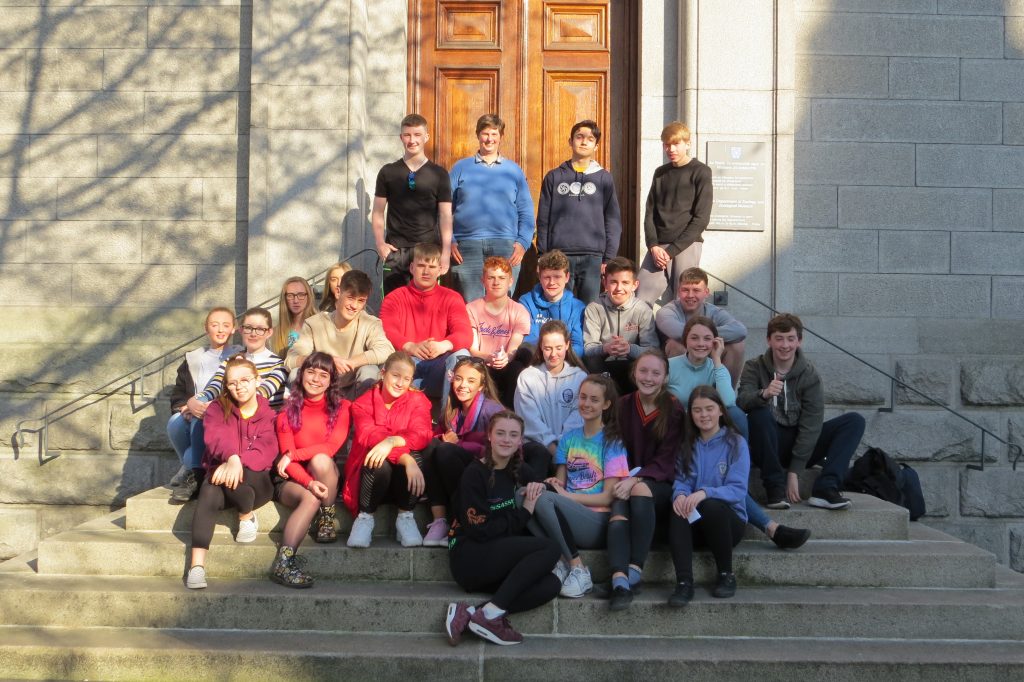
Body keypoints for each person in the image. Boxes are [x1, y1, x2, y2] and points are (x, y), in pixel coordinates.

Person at [668, 316, 810, 550]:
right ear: (686, 340)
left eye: (707, 339)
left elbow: (727, 400)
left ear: (715, 342)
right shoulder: (672, 366)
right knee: (724, 483)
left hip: (706, 437)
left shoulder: (715, 367)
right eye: (694, 338)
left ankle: (737, 458)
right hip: (679, 436)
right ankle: (771, 528)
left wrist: (716, 359)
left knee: (733, 413)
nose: (701, 343)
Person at [444, 411, 561, 647]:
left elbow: (549, 495)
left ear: (520, 441)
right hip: (470, 556)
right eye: (500, 433)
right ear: (489, 436)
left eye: (513, 435)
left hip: (497, 557)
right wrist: (524, 512)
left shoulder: (520, 470)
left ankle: (473, 614)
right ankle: (489, 617)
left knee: (551, 584)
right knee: (550, 548)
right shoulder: (474, 474)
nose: (506, 440)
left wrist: (548, 485)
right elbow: (480, 531)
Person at [737, 313, 866, 511]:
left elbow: (811, 424)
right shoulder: (754, 367)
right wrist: (763, 394)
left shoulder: (809, 374)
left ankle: (826, 488)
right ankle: (774, 487)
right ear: (769, 340)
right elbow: (742, 401)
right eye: (779, 339)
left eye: (790, 339)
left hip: (800, 444)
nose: (785, 345)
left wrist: (795, 471)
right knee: (758, 414)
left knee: (854, 421)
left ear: (799, 341)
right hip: (766, 444)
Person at [526, 374, 629, 598]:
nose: (587, 404)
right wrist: (553, 484)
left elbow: (607, 498)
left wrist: (565, 497)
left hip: (596, 521)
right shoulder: (568, 438)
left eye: (594, 399)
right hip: (568, 512)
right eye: (583, 397)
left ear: (606, 404)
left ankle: (579, 569)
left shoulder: (614, 442)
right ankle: (562, 561)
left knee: (543, 500)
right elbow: (562, 481)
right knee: (524, 495)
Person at [185, 355, 278, 590]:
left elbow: (265, 452)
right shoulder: (218, 408)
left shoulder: (270, 414)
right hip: (223, 475)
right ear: (226, 386)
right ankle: (197, 566)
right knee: (209, 490)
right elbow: (217, 437)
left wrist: (238, 462)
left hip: (258, 484)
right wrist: (232, 458)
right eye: (232, 383)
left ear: (257, 380)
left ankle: (247, 514)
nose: (239, 387)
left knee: (240, 473)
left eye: (245, 380)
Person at [605, 350, 683, 610]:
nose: (648, 378)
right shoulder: (623, 404)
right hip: (625, 478)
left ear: (665, 377)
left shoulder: (673, 408)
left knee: (638, 491)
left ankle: (635, 568)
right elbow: (613, 445)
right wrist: (622, 477)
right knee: (617, 508)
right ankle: (619, 581)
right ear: (634, 373)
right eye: (643, 371)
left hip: (658, 481)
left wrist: (635, 478)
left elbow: (667, 458)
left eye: (655, 373)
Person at [270, 353, 350, 588]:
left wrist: (293, 455)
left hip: (324, 473)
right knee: (311, 496)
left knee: (321, 460)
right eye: (311, 372)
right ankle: (284, 563)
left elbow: (332, 446)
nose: (316, 379)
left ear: (331, 380)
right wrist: (308, 483)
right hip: (290, 478)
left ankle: (327, 517)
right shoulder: (286, 413)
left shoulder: (342, 407)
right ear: (301, 374)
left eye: (323, 375)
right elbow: (287, 464)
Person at [668, 385, 749, 605]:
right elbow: (682, 481)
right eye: (697, 410)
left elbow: (738, 489)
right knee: (678, 508)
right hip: (697, 524)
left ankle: (726, 575)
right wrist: (680, 495)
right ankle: (684, 583)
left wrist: (705, 492)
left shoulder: (736, 443)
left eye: (709, 408)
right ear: (690, 414)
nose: (704, 415)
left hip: (728, 523)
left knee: (712, 505)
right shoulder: (687, 445)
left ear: (721, 411)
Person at [343, 351, 432, 548]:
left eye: (406, 379)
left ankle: (405, 516)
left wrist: (392, 441)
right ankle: (365, 518)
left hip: (401, 482)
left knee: (416, 456)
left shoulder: (418, 401)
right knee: (377, 459)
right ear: (383, 373)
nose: (400, 383)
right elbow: (370, 436)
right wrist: (405, 459)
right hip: (372, 480)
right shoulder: (362, 404)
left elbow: (423, 433)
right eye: (395, 375)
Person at [449, 113, 535, 301]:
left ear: (500, 136)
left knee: (501, 302)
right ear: (478, 135)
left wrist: (523, 242)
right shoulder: (460, 168)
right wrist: (449, 239)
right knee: (472, 304)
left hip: (505, 245)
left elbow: (526, 211)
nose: (489, 139)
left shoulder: (513, 171)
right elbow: (444, 208)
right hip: (466, 247)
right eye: (485, 133)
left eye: (494, 134)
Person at [535, 119, 622, 304]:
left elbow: (612, 219)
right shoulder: (554, 177)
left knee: (588, 308)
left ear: (596, 146)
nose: (584, 142)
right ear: (570, 141)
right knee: (559, 304)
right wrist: (543, 254)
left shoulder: (604, 178)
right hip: (559, 255)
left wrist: (609, 257)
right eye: (579, 137)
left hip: (593, 256)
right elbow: (543, 219)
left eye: (590, 139)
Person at [421, 357, 505, 546]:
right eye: (458, 378)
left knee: (446, 452)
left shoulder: (492, 410)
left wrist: (458, 445)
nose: (462, 385)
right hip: (458, 469)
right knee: (434, 448)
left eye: (471, 381)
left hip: (487, 474)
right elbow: (435, 440)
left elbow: (504, 448)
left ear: (482, 386)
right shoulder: (452, 410)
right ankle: (439, 520)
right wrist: (444, 440)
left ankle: (459, 520)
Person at [379, 242, 472, 405]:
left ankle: (449, 422)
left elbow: (465, 333)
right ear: (412, 268)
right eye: (421, 266)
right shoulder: (394, 298)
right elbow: (387, 330)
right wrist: (410, 346)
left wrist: (444, 345)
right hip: (405, 365)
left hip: (440, 366)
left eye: (431, 266)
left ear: (440, 270)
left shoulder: (452, 298)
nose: (426, 271)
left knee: (461, 356)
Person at [372, 113, 454, 295]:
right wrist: (380, 244)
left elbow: (446, 216)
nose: (412, 140)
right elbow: (378, 212)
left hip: (428, 252)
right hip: (396, 252)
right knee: (393, 310)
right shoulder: (388, 172)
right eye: (407, 135)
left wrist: (446, 253)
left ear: (426, 137)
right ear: (401, 137)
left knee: (426, 310)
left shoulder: (439, 174)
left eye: (417, 135)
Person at [167, 306, 240, 503]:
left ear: (234, 328)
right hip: (194, 411)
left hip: (223, 413)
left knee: (199, 421)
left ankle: (191, 470)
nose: (220, 330)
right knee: (175, 422)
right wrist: (185, 406)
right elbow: (179, 392)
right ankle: (188, 465)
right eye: (214, 325)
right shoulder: (193, 358)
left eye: (226, 325)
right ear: (206, 328)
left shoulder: (239, 355)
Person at [636, 121, 713, 305]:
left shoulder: (700, 171)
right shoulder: (660, 173)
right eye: (667, 144)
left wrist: (671, 251)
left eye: (676, 144)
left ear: (687, 144)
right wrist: (653, 245)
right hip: (658, 248)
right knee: (640, 299)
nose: (671, 149)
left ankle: (685, 334)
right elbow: (649, 213)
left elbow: (701, 218)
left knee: (685, 300)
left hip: (686, 245)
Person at [286, 269, 394, 400]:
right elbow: (291, 359)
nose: (354, 306)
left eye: (361, 301)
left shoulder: (370, 323)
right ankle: (304, 417)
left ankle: (360, 417)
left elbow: (386, 350)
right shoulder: (314, 323)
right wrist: (327, 362)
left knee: (370, 371)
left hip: (354, 390)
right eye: (350, 298)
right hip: (321, 391)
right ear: (338, 292)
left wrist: (351, 362)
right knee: (295, 373)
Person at [514, 320, 587, 481]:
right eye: (548, 348)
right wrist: (552, 449)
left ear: (567, 345)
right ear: (540, 347)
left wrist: (561, 449)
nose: (553, 354)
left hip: (569, 448)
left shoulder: (580, 378)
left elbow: (578, 418)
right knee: (540, 453)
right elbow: (529, 421)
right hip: (535, 447)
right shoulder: (527, 377)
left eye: (558, 348)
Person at [656, 267, 747, 384]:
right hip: (672, 365)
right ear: (678, 291)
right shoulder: (667, 311)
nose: (690, 295)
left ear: (706, 293)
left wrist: (705, 339)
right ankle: (678, 397)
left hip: (708, 357)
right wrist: (707, 337)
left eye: (696, 290)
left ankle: (724, 396)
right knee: (676, 344)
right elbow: (677, 333)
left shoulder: (714, 312)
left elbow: (740, 330)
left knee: (737, 346)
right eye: (685, 290)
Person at [582, 256, 658, 394]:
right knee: (591, 361)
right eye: (613, 282)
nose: (619, 288)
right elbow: (588, 348)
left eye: (625, 282)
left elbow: (653, 349)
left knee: (648, 363)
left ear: (635, 285)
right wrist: (606, 348)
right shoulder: (594, 308)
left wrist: (629, 349)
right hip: (603, 365)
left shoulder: (643, 310)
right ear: (605, 283)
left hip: (632, 365)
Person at [465, 256, 532, 406]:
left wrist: (505, 358)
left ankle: (508, 416)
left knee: (517, 368)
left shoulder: (519, 311)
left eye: (502, 278)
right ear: (483, 281)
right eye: (491, 277)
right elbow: (473, 349)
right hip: (481, 363)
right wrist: (489, 357)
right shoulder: (471, 308)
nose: (496, 282)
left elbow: (513, 349)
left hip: (506, 364)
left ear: (510, 282)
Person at [195, 307, 288, 410]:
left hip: (265, 422)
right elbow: (214, 387)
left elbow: (262, 393)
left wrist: (217, 405)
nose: (253, 334)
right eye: (248, 328)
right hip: (233, 418)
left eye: (260, 329)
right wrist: (196, 402)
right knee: (180, 420)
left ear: (269, 332)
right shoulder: (231, 361)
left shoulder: (278, 364)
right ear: (241, 330)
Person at [518, 249, 586, 359]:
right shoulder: (527, 302)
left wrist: (557, 359)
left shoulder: (577, 307)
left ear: (567, 277)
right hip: (536, 359)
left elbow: (577, 344)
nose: (552, 283)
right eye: (547, 277)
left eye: (557, 277)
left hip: (566, 360)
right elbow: (530, 339)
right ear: (539, 277)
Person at [271, 277, 317, 359]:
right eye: (290, 295)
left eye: (301, 295)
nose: (296, 300)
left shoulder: (319, 325)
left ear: (308, 296)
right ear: (284, 298)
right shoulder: (276, 332)